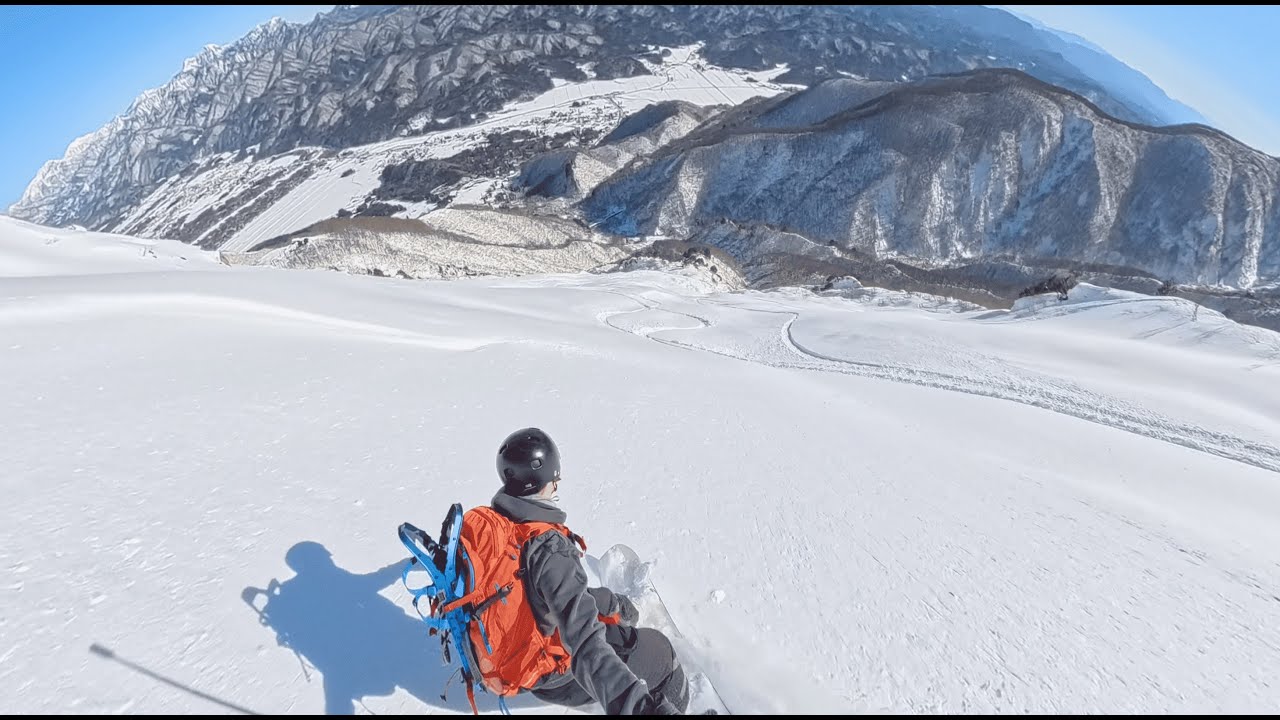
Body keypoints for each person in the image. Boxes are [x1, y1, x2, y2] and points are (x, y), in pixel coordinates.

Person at [477, 427, 690, 715]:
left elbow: (540, 590)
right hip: (547, 673)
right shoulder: (549, 549)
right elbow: (586, 649)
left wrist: (608, 603)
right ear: (543, 480)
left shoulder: (499, 527)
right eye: (556, 477)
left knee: (616, 633)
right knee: (661, 654)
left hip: (511, 647)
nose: (557, 483)